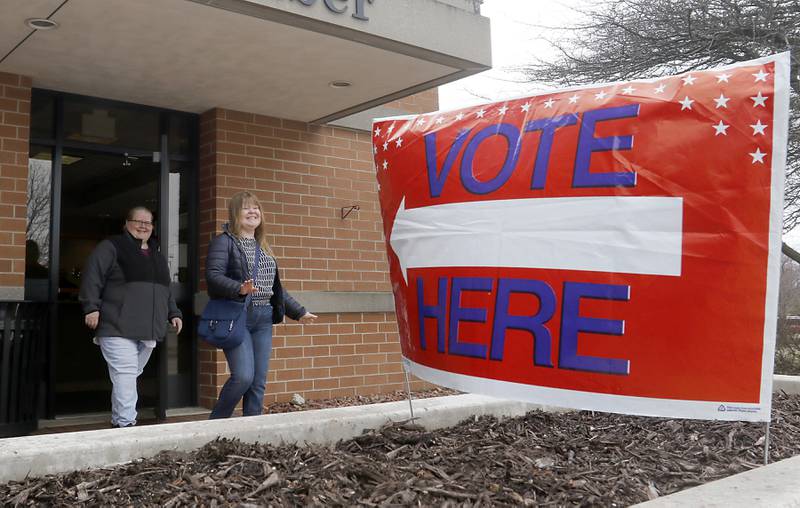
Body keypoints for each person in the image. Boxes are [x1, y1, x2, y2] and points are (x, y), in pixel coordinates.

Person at [206, 191, 317, 419]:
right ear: (235, 213)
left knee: (257, 383)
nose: (252, 211)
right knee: (243, 377)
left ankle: (253, 431)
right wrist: (239, 288)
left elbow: (274, 288)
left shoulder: (263, 247)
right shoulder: (224, 242)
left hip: (264, 318)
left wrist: (300, 311)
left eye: (256, 208)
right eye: (246, 207)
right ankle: (215, 424)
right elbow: (213, 276)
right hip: (238, 316)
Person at [79, 206, 183, 427]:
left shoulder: (157, 255)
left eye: (148, 222)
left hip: (148, 328)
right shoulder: (112, 247)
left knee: (128, 376)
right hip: (116, 325)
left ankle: (119, 422)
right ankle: (127, 425)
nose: (143, 226)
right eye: (139, 221)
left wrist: (174, 312)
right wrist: (91, 307)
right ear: (126, 223)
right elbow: (92, 276)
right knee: (125, 373)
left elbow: (165, 289)